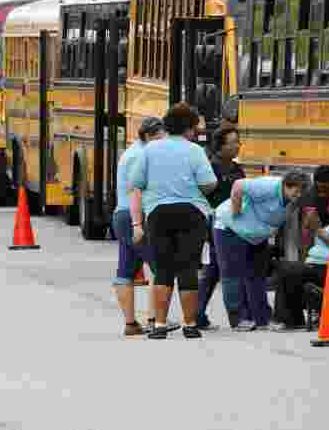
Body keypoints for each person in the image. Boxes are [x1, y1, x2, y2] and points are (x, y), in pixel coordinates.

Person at [129, 103, 217, 339]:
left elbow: (136, 181)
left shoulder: (150, 150)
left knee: (164, 270)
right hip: (191, 213)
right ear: (188, 128)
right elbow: (209, 182)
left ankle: (159, 325)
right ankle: (189, 324)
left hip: (158, 213)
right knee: (188, 268)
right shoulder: (195, 151)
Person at [212, 170, 309, 331]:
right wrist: (236, 211)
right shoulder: (269, 186)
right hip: (230, 228)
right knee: (232, 274)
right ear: (285, 185)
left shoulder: (295, 201)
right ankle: (239, 319)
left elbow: (287, 225)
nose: (298, 195)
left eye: (302, 191)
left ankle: (262, 318)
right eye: (296, 190)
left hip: (255, 235)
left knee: (257, 275)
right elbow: (238, 185)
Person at [272, 192, 329, 331]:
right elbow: (310, 250)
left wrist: (317, 228)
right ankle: (291, 319)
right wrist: (307, 228)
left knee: (285, 269)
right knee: (285, 270)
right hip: (317, 268)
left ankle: (288, 319)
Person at [112, 116, 167, 336]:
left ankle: (131, 324)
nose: (164, 141)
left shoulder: (132, 152)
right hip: (135, 216)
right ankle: (155, 320)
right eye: (161, 136)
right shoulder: (141, 156)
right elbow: (138, 190)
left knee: (125, 270)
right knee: (159, 267)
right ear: (149, 136)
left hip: (122, 215)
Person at [196, 125, 248, 331]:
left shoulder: (237, 169)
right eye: (233, 142)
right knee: (227, 271)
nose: (238, 146)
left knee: (214, 270)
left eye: (238, 141)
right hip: (215, 225)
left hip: (234, 226)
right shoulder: (210, 168)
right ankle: (237, 318)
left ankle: (197, 315)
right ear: (220, 146)